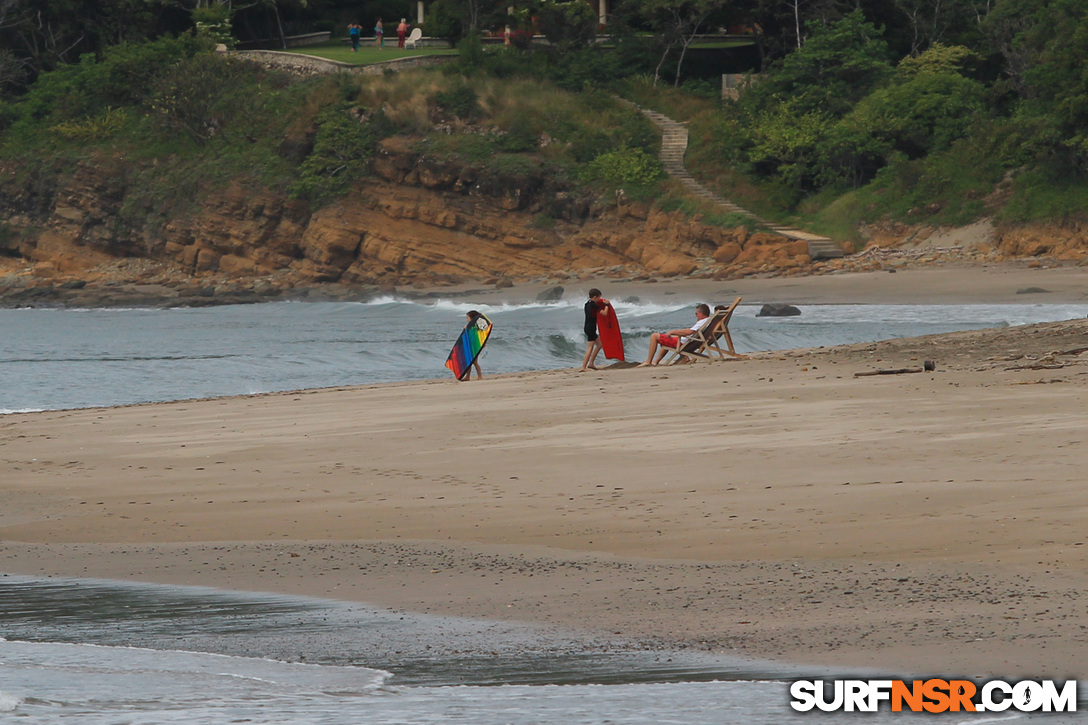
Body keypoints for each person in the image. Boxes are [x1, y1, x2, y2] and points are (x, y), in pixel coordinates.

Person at [638, 303, 712, 367]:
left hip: (683, 343)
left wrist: (673, 331)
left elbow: (689, 332)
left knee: (654, 336)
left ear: (701, 314)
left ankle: (648, 361)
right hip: (690, 342)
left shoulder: (702, 322)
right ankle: (656, 362)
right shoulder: (708, 321)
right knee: (667, 339)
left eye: (696, 313)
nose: (696, 315)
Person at [580, 288, 611, 372]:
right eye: (598, 298)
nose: (599, 299)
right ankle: (583, 367)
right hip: (591, 328)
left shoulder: (587, 304)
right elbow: (604, 313)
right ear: (594, 297)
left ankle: (591, 363)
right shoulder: (593, 305)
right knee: (590, 347)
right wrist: (607, 305)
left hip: (587, 327)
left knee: (600, 344)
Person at [458, 310, 484, 381]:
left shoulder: (475, 326)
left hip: (475, 346)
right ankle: (467, 377)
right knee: (469, 362)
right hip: (470, 346)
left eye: (467, 317)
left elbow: (478, 336)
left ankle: (480, 376)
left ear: (472, 318)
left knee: (475, 362)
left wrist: (467, 328)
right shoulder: (470, 326)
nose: (467, 319)